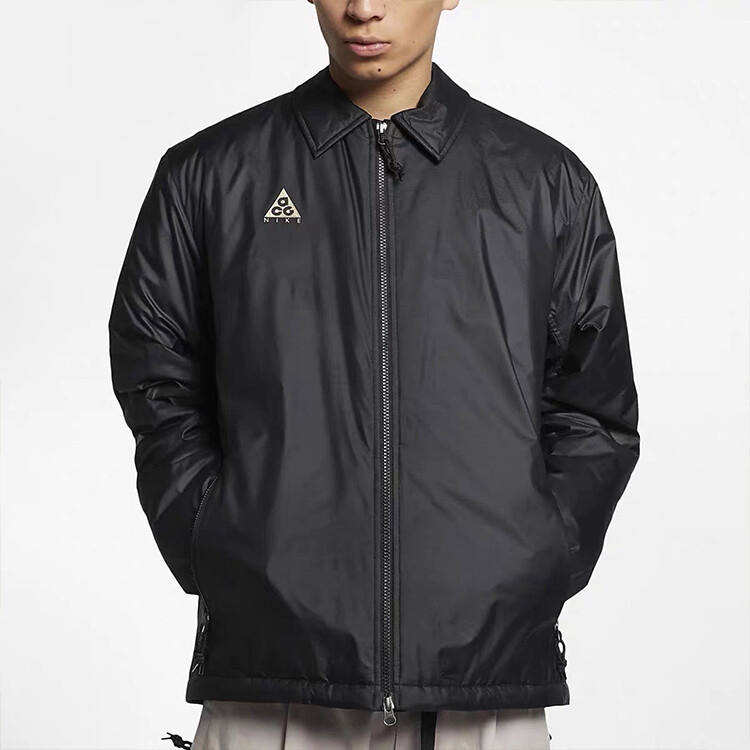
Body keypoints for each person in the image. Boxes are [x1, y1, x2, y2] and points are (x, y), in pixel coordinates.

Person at [108, 0, 640, 747]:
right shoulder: (210, 175)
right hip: (273, 684)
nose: (363, 8)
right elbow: (157, 380)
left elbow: (594, 411)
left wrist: (536, 557)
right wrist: (215, 539)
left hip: (482, 688)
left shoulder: (543, 183)